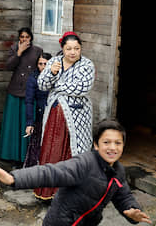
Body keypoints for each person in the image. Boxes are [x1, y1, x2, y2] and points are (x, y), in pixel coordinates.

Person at [0, 119, 151, 226]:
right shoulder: (85, 163)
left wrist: (132, 211)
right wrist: (14, 178)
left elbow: (124, 196)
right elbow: (51, 173)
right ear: (96, 145)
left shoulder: (118, 171)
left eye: (118, 143)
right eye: (106, 142)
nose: (112, 148)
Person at [34, 31, 95, 199]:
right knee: (52, 149)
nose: (73, 52)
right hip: (55, 115)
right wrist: (51, 73)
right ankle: (48, 192)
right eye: (69, 48)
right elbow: (42, 85)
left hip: (77, 117)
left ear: (81, 49)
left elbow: (83, 88)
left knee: (74, 152)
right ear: (62, 48)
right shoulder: (54, 62)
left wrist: (57, 84)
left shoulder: (87, 65)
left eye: (76, 48)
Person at [0, 27, 43, 164]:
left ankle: (26, 155)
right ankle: (9, 154)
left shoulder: (37, 51)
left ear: (31, 38)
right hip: (15, 89)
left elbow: (41, 68)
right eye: (22, 37)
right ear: (19, 38)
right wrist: (19, 52)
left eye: (27, 37)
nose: (24, 39)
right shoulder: (13, 49)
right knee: (12, 123)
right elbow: (9, 66)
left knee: (27, 122)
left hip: (30, 91)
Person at [23, 52, 52, 168]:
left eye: (46, 64)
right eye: (40, 64)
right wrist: (29, 122)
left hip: (54, 113)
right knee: (37, 143)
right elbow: (29, 101)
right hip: (40, 114)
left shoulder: (56, 77)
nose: (43, 67)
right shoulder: (33, 78)